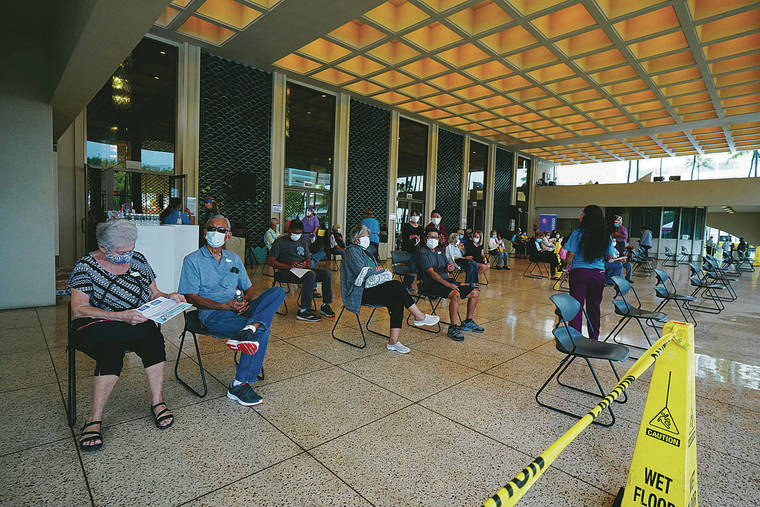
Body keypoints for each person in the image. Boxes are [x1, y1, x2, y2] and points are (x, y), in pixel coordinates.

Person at [68, 219, 186, 452]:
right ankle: (94, 417)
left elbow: (154, 293)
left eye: (131, 250)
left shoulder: (138, 260)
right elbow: (78, 308)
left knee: (153, 339)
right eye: (122, 252)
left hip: (135, 320)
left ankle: (157, 401)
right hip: (97, 324)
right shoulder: (85, 266)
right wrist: (121, 316)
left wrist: (169, 296)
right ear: (103, 248)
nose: (128, 256)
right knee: (110, 351)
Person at [179, 215, 286, 407]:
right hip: (213, 314)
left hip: (239, 308)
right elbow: (191, 298)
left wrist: (244, 301)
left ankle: (249, 327)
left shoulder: (234, 258)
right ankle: (238, 384)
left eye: (221, 230)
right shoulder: (192, 260)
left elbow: (250, 289)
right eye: (212, 229)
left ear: (228, 236)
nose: (216, 234)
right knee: (263, 330)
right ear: (204, 232)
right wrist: (225, 306)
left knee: (277, 292)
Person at [340, 224, 440, 353]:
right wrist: (375, 271)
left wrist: (376, 271)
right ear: (355, 239)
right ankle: (419, 316)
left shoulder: (367, 252)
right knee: (396, 286)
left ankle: (393, 342)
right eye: (364, 235)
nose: (368, 238)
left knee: (397, 298)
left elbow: (376, 270)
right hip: (360, 291)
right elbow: (361, 272)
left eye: (368, 235)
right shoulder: (352, 250)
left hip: (374, 287)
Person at [418, 228, 484, 341]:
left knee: (475, 291)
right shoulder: (423, 253)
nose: (433, 239)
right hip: (431, 284)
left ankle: (468, 321)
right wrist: (449, 285)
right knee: (455, 294)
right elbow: (432, 274)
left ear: (438, 239)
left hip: (446, 281)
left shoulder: (439, 251)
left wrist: (450, 267)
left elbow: (447, 266)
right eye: (430, 237)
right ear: (425, 239)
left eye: (435, 237)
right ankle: (453, 327)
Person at [267, 218, 335, 322]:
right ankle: (304, 311)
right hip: (284, 271)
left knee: (326, 273)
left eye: (299, 233)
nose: (297, 235)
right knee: (310, 275)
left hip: (301, 270)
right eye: (294, 233)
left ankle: (325, 305)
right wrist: (288, 266)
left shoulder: (303, 241)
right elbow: (270, 261)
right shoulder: (280, 242)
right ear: (289, 231)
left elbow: (308, 259)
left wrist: (305, 264)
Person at [565, 205, 616, 340]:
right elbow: (610, 255)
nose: (581, 215)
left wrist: (564, 268)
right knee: (594, 307)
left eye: (583, 213)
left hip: (579, 273)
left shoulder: (578, 232)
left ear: (587, 216)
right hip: (598, 274)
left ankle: (575, 339)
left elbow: (570, 255)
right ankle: (594, 337)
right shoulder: (606, 234)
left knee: (576, 306)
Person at [398, 210, 423, 290]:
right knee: (410, 268)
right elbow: (404, 237)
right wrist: (413, 236)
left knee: (414, 268)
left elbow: (422, 238)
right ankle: (405, 285)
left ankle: (409, 284)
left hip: (417, 250)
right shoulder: (406, 225)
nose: (415, 217)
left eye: (416, 215)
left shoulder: (420, 227)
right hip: (408, 250)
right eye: (413, 215)